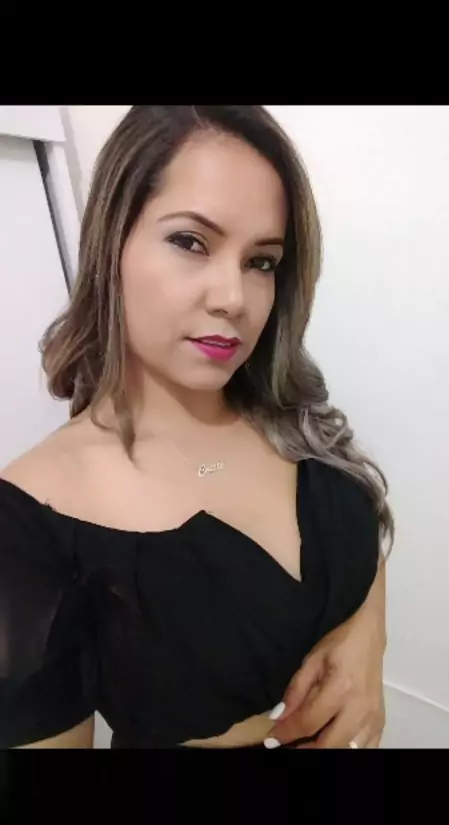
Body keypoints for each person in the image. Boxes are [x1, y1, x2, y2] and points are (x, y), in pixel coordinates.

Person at [0, 105, 393, 750]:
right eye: (191, 242)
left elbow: (359, 525)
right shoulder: (26, 523)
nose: (234, 298)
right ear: (112, 243)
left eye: (261, 261)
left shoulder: (287, 415)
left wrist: (367, 632)